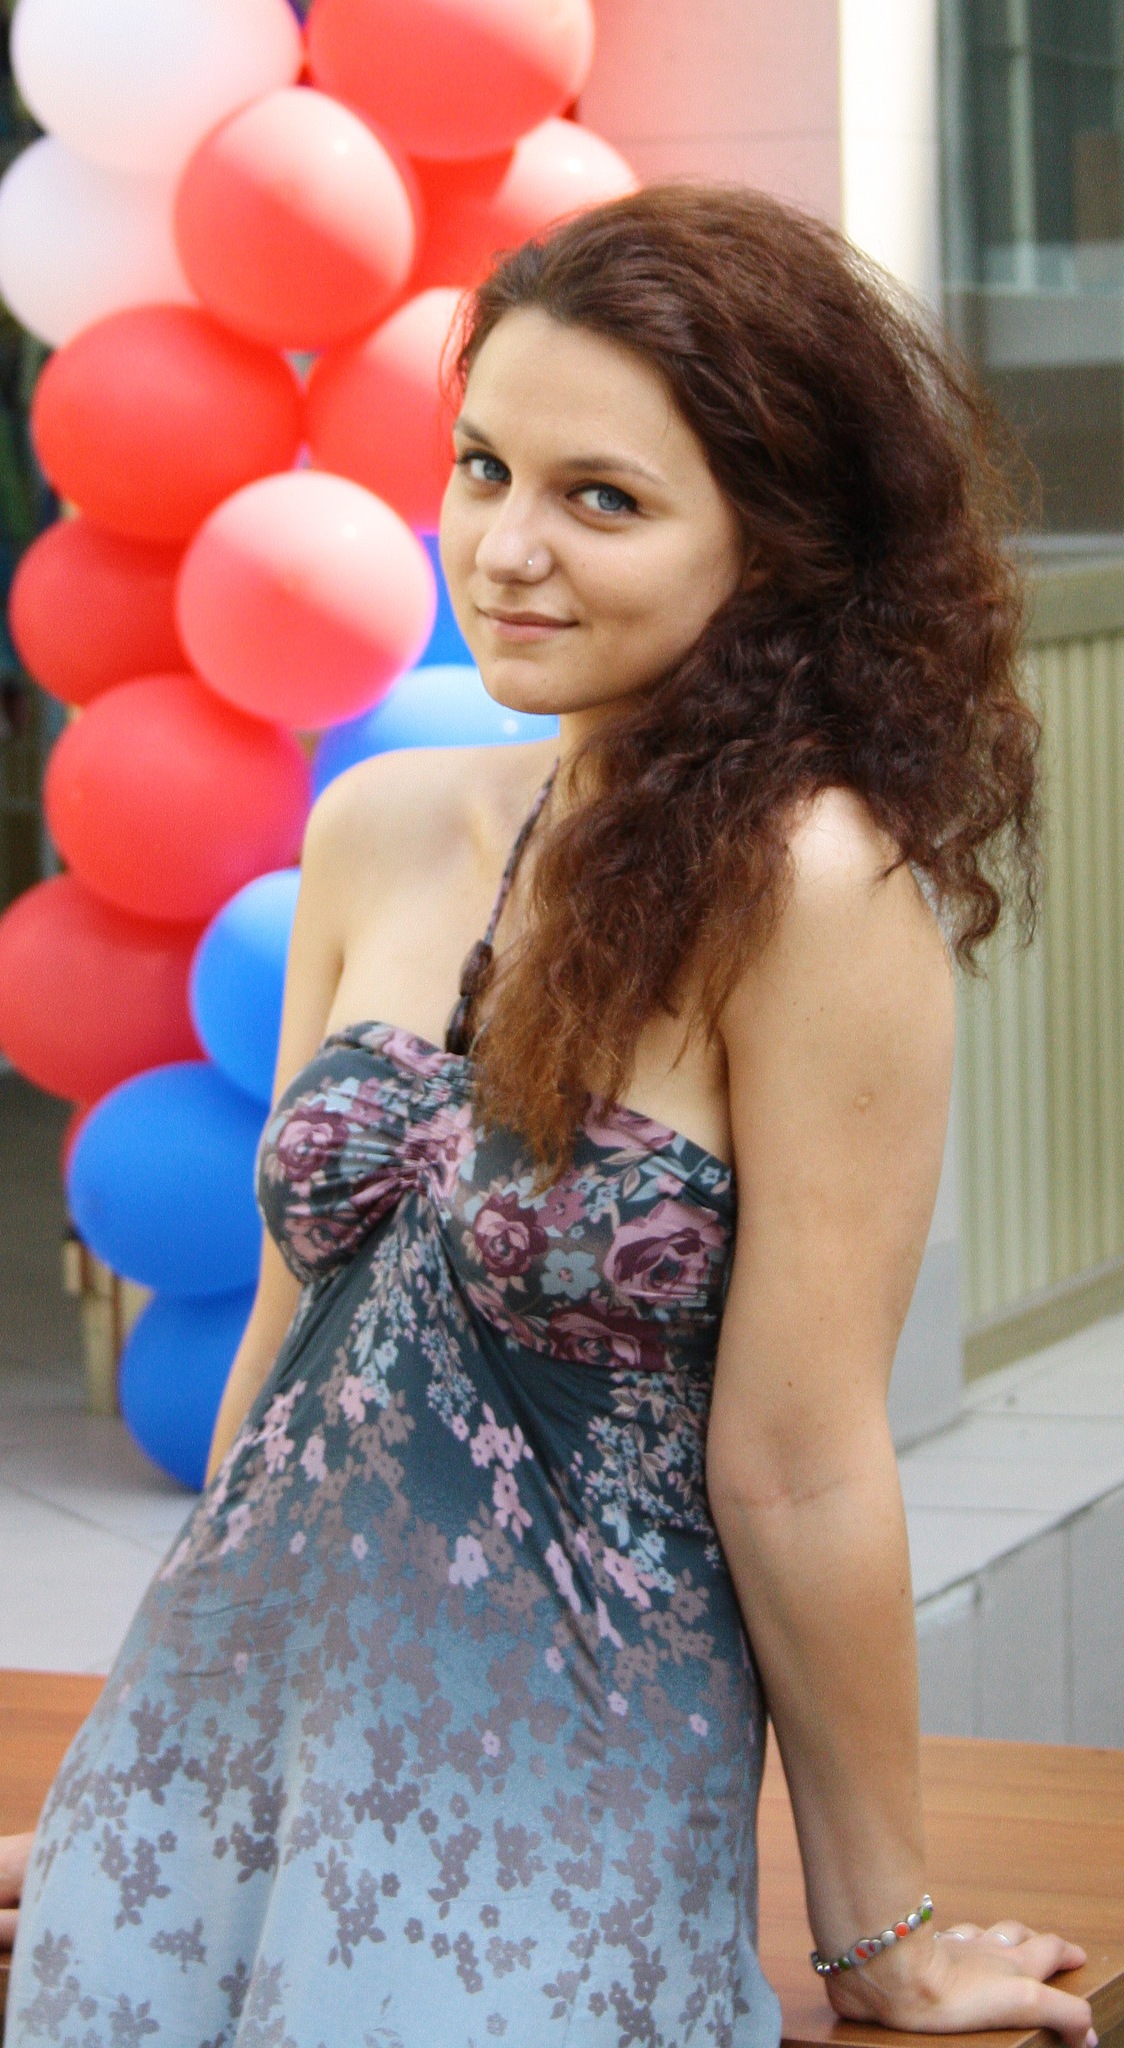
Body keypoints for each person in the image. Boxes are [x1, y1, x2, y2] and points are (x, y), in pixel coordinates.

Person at [2, 186, 1095, 2048]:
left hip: (546, 1790)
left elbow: (802, 1462)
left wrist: (882, 1935)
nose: (505, 548)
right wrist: (152, 1767)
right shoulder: (377, 823)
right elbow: (285, 1361)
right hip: (228, 1757)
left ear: (778, 544)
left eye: (604, 498)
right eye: (484, 467)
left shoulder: (814, 888)